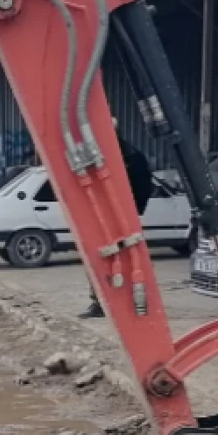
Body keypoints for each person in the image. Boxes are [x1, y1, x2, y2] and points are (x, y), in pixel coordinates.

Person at [80, 136, 158, 318]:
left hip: (124, 216)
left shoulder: (130, 158)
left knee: (132, 257)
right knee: (103, 257)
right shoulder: (105, 157)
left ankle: (132, 299)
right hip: (107, 215)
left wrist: (135, 210)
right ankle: (101, 300)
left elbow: (143, 186)